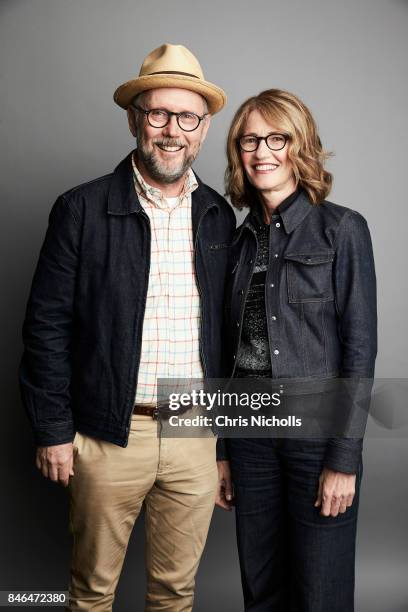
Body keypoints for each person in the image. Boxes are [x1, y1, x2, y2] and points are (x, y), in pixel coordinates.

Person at [19, 43, 235, 611]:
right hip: (108, 435)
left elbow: (230, 334)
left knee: (175, 592)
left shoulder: (219, 214)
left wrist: (225, 444)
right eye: (158, 114)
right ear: (135, 119)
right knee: (91, 592)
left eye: (186, 117)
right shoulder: (81, 209)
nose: (171, 131)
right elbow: (46, 326)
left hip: (195, 433)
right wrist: (52, 429)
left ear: (204, 127)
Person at [215, 89, 377, 611]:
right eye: (249, 140)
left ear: (300, 145)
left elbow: (360, 348)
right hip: (249, 435)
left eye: (277, 137)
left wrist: (345, 457)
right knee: (262, 589)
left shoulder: (343, 230)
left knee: (320, 593)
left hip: (316, 439)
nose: (263, 151)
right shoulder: (235, 243)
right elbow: (224, 351)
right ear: (238, 153)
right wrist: (221, 448)